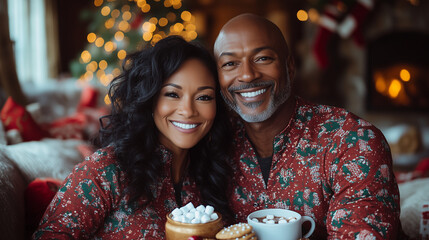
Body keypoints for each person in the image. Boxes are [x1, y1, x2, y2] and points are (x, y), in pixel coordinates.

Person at [214, 13, 404, 239]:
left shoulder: (354, 141)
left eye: (263, 58)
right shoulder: (214, 145)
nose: (247, 75)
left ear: (290, 67)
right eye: (230, 64)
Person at [33, 35, 232, 239]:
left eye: (204, 97)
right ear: (149, 97)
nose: (188, 110)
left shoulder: (214, 174)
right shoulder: (104, 171)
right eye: (172, 94)